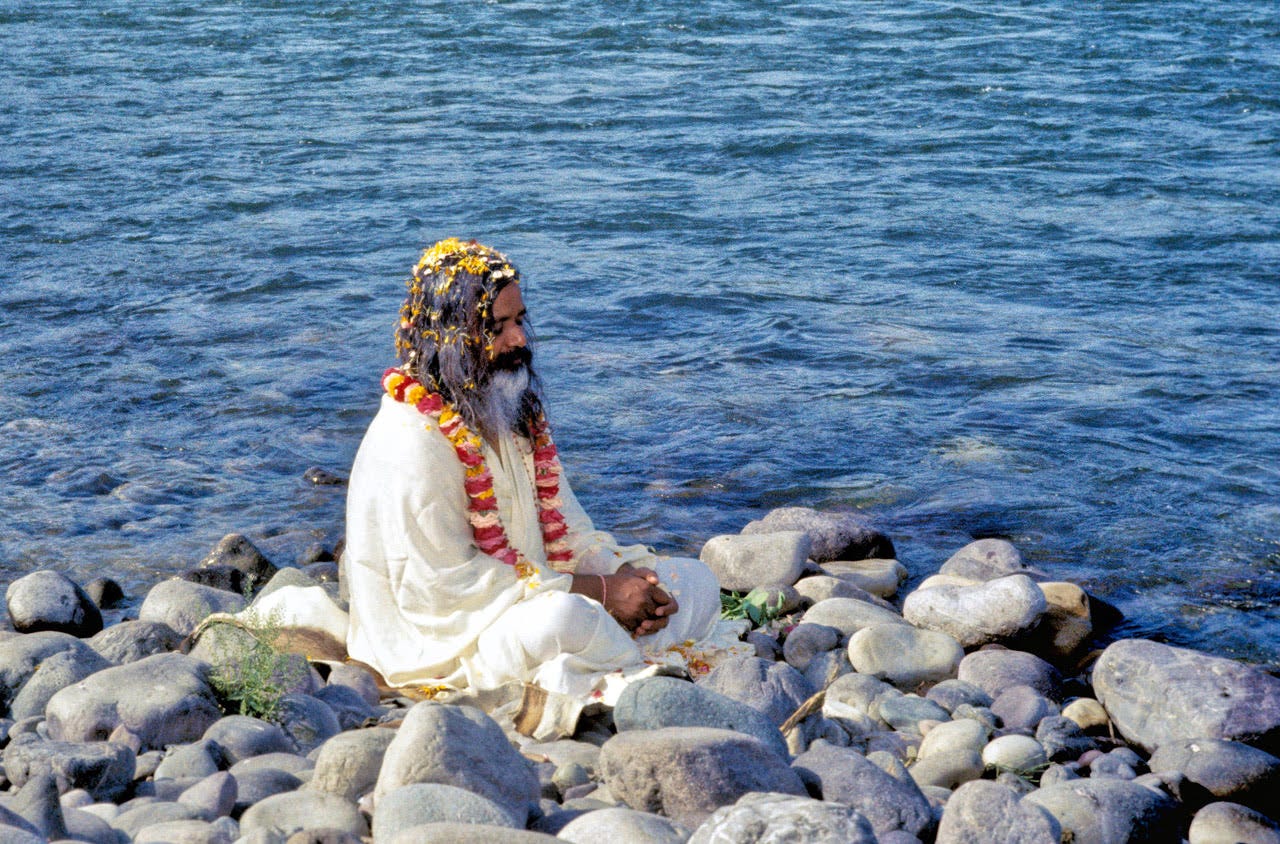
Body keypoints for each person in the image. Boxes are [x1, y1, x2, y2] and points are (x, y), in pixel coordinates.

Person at [344, 238, 740, 702]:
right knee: (565, 620)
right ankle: (624, 659)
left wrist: (628, 577)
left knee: (696, 582)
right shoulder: (412, 441)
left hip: (540, 595)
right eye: (497, 328)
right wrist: (602, 593)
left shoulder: (506, 410)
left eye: (519, 320)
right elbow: (444, 590)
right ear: (447, 338)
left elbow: (568, 529)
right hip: (449, 640)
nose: (519, 340)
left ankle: (611, 651)